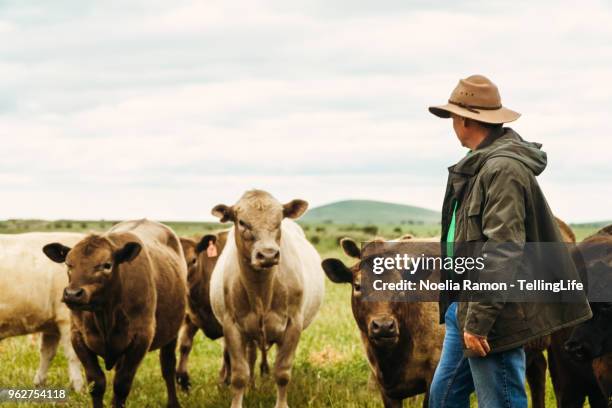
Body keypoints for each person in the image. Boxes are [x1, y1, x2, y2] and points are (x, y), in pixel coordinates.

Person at [427, 74, 592, 407]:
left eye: (453, 117)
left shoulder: (502, 169)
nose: (452, 124)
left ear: (464, 119)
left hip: (493, 313)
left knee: (500, 399)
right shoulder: (478, 166)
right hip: (465, 305)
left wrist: (481, 321)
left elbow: (503, 249)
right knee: (443, 398)